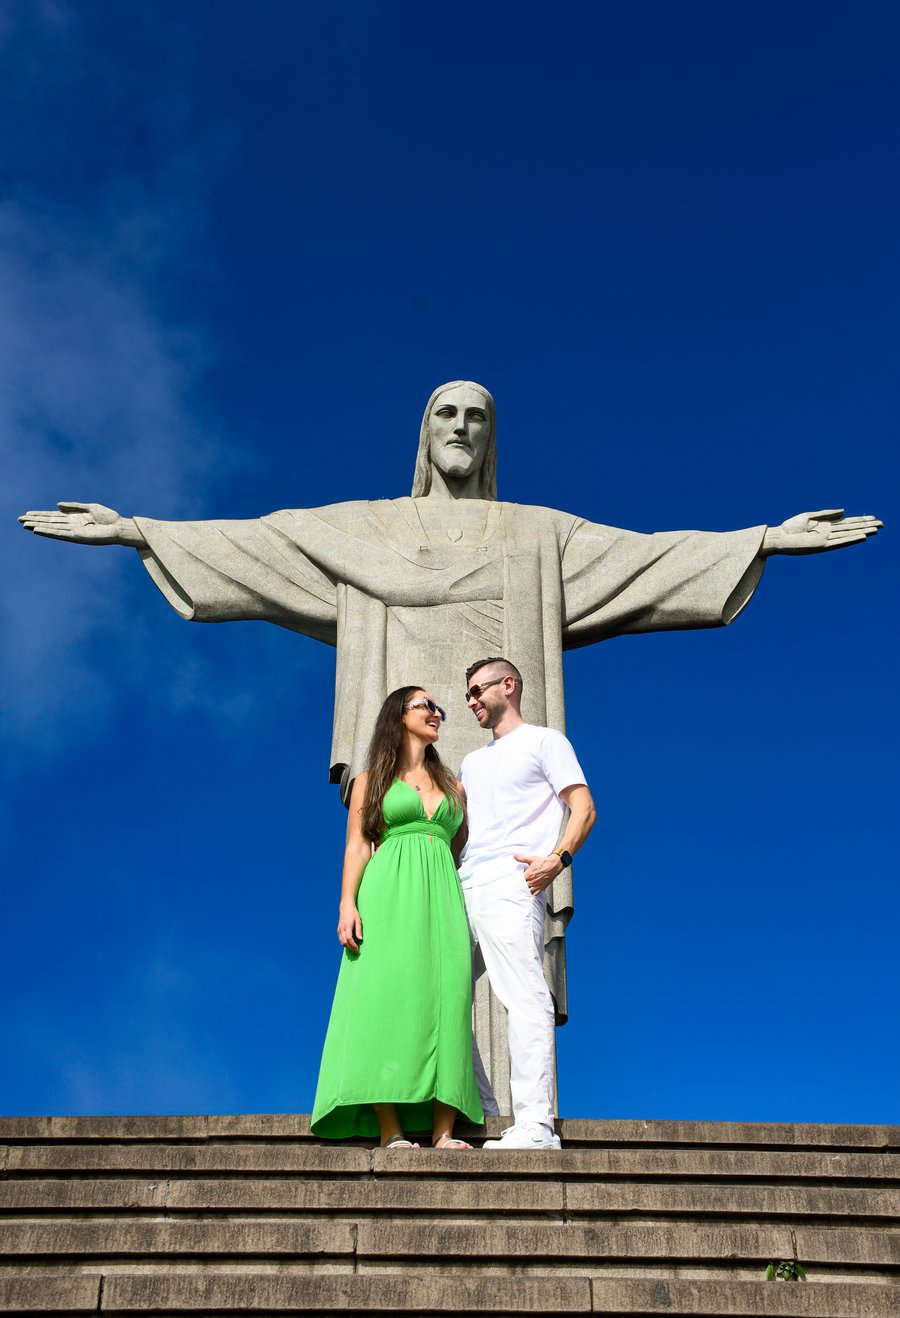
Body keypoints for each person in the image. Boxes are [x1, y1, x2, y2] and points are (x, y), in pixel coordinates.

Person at [19, 379, 882, 1095]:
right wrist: (141, 530)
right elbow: (265, 545)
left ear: (491, 437)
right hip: (414, 785)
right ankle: (415, 1095)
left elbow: (646, 560)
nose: (462, 427)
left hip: (506, 788)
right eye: (446, 413)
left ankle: (508, 1114)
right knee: (413, 938)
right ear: (424, 434)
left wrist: (760, 540)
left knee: (509, 947)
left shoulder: (538, 536)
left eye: (478, 416)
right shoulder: (366, 531)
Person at [311, 686, 483, 1148]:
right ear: (398, 716)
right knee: (385, 1000)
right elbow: (356, 846)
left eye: (437, 708)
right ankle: (391, 1131)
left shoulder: (455, 787)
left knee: (447, 999)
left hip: (442, 897)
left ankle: (445, 1132)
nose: (436, 713)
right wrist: (348, 904)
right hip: (386, 893)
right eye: (425, 706)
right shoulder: (370, 781)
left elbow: (459, 846)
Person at [459, 658, 597, 1150]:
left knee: (525, 995)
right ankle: (488, 1115)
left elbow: (584, 806)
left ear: (508, 685)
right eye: (469, 695)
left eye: (478, 691)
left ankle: (536, 1124)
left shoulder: (545, 741)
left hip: (512, 882)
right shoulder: (471, 763)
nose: (472, 701)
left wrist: (558, 859)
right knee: (446, 998)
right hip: (463, 884)